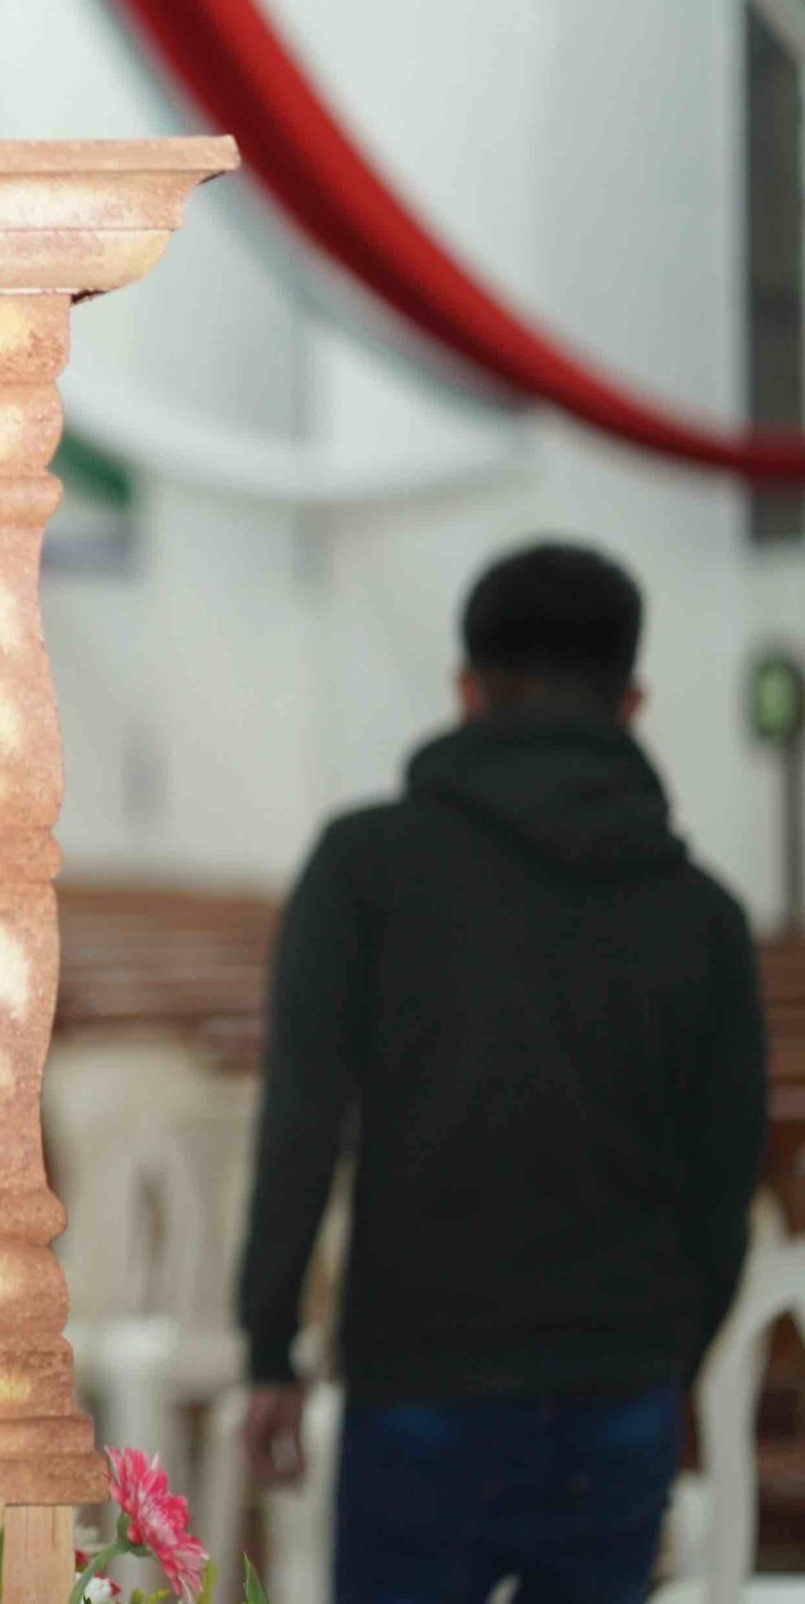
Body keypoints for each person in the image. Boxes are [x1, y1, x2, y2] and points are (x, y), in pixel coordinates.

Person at [236, 540, 767, 1602]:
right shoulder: (705, 916)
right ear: (633, 704)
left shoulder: (364, 866)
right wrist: (670, 1362)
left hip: (418, 1380)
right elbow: (725, 1186)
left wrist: (269, 1347)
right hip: (620, 1385)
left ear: (468, 691)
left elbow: (301, 1123)